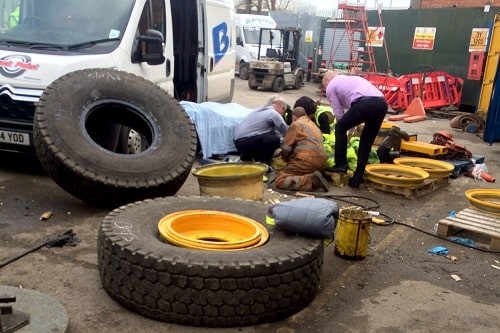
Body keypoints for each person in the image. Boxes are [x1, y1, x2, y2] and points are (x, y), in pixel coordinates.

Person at [322, 70, 388, 189]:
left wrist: (343, 129)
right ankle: (357, 178)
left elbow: (338, 112)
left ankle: (340, 165)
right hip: (381, 103)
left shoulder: (331, 86)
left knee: (340, 127)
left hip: (365, 103)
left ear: (327, 80)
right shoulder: (349, 80)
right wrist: (350, 126)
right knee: (366, 142)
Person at [272, 107, 329, 192]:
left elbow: (286, 148)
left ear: (294, 117)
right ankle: (313, 176)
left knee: (280, 180)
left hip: (306, 161)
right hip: (322, 163)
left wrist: (284, 160)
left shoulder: (296, 124)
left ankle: (312, 181)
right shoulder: (314, 125)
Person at [233, 96, 289, 165]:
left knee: (266, 138)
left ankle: (247, 158)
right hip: (245, 142)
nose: (282, 115)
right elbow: (286, 131)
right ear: (282, 107)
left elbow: (274, 131)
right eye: (283, 112)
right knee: (274, 140)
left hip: (238, 142)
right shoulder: (274, 113)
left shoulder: (260, 110)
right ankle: (263, 164)